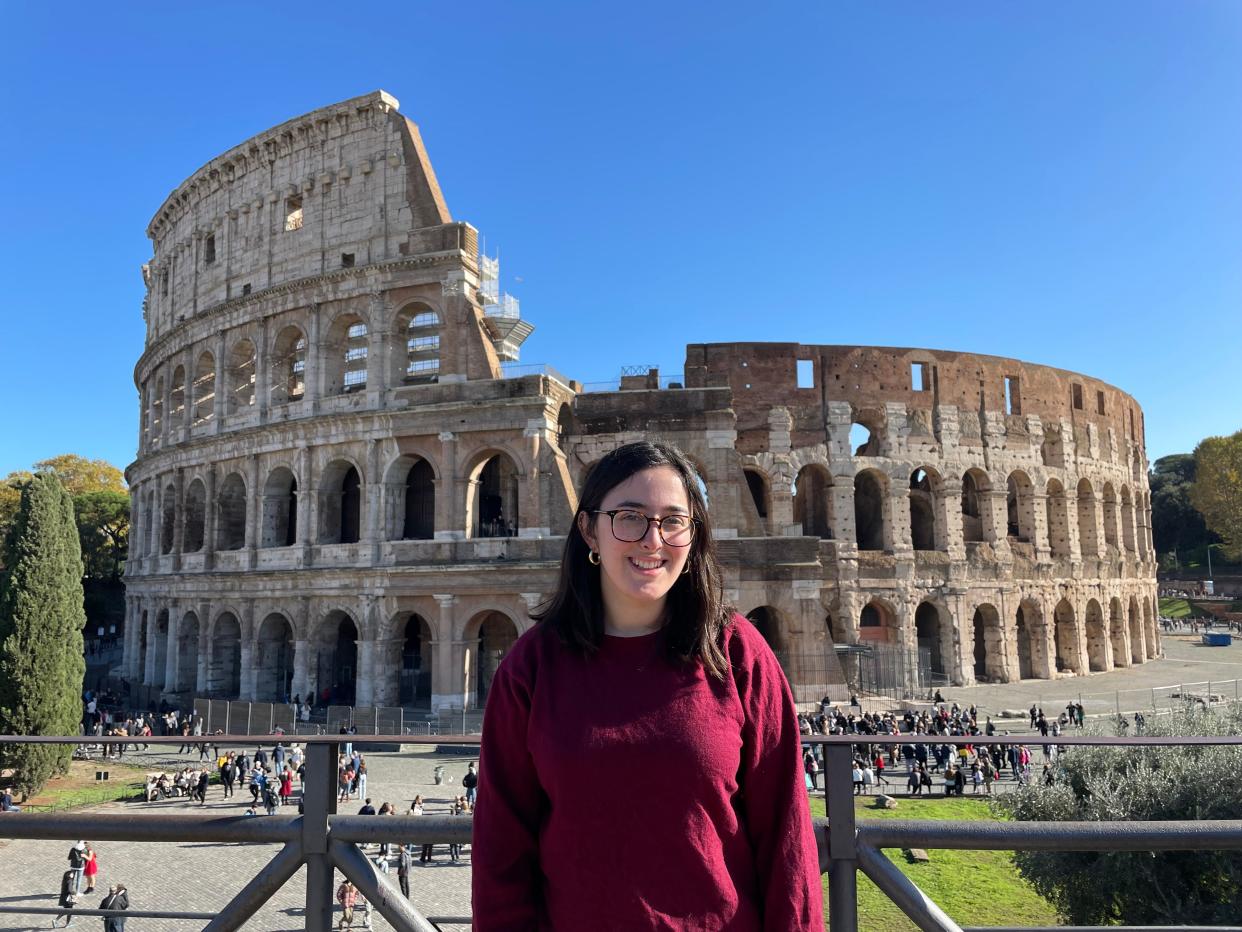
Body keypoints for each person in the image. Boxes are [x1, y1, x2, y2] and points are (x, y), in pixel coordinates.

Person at [472, 441, 822, 930]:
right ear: (590, 530)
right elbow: (500, 854)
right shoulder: (530, 668)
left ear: (693, 535)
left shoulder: (738, 654)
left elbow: (787, 838)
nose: (652, 540)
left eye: (672, 521)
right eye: (629, 517)